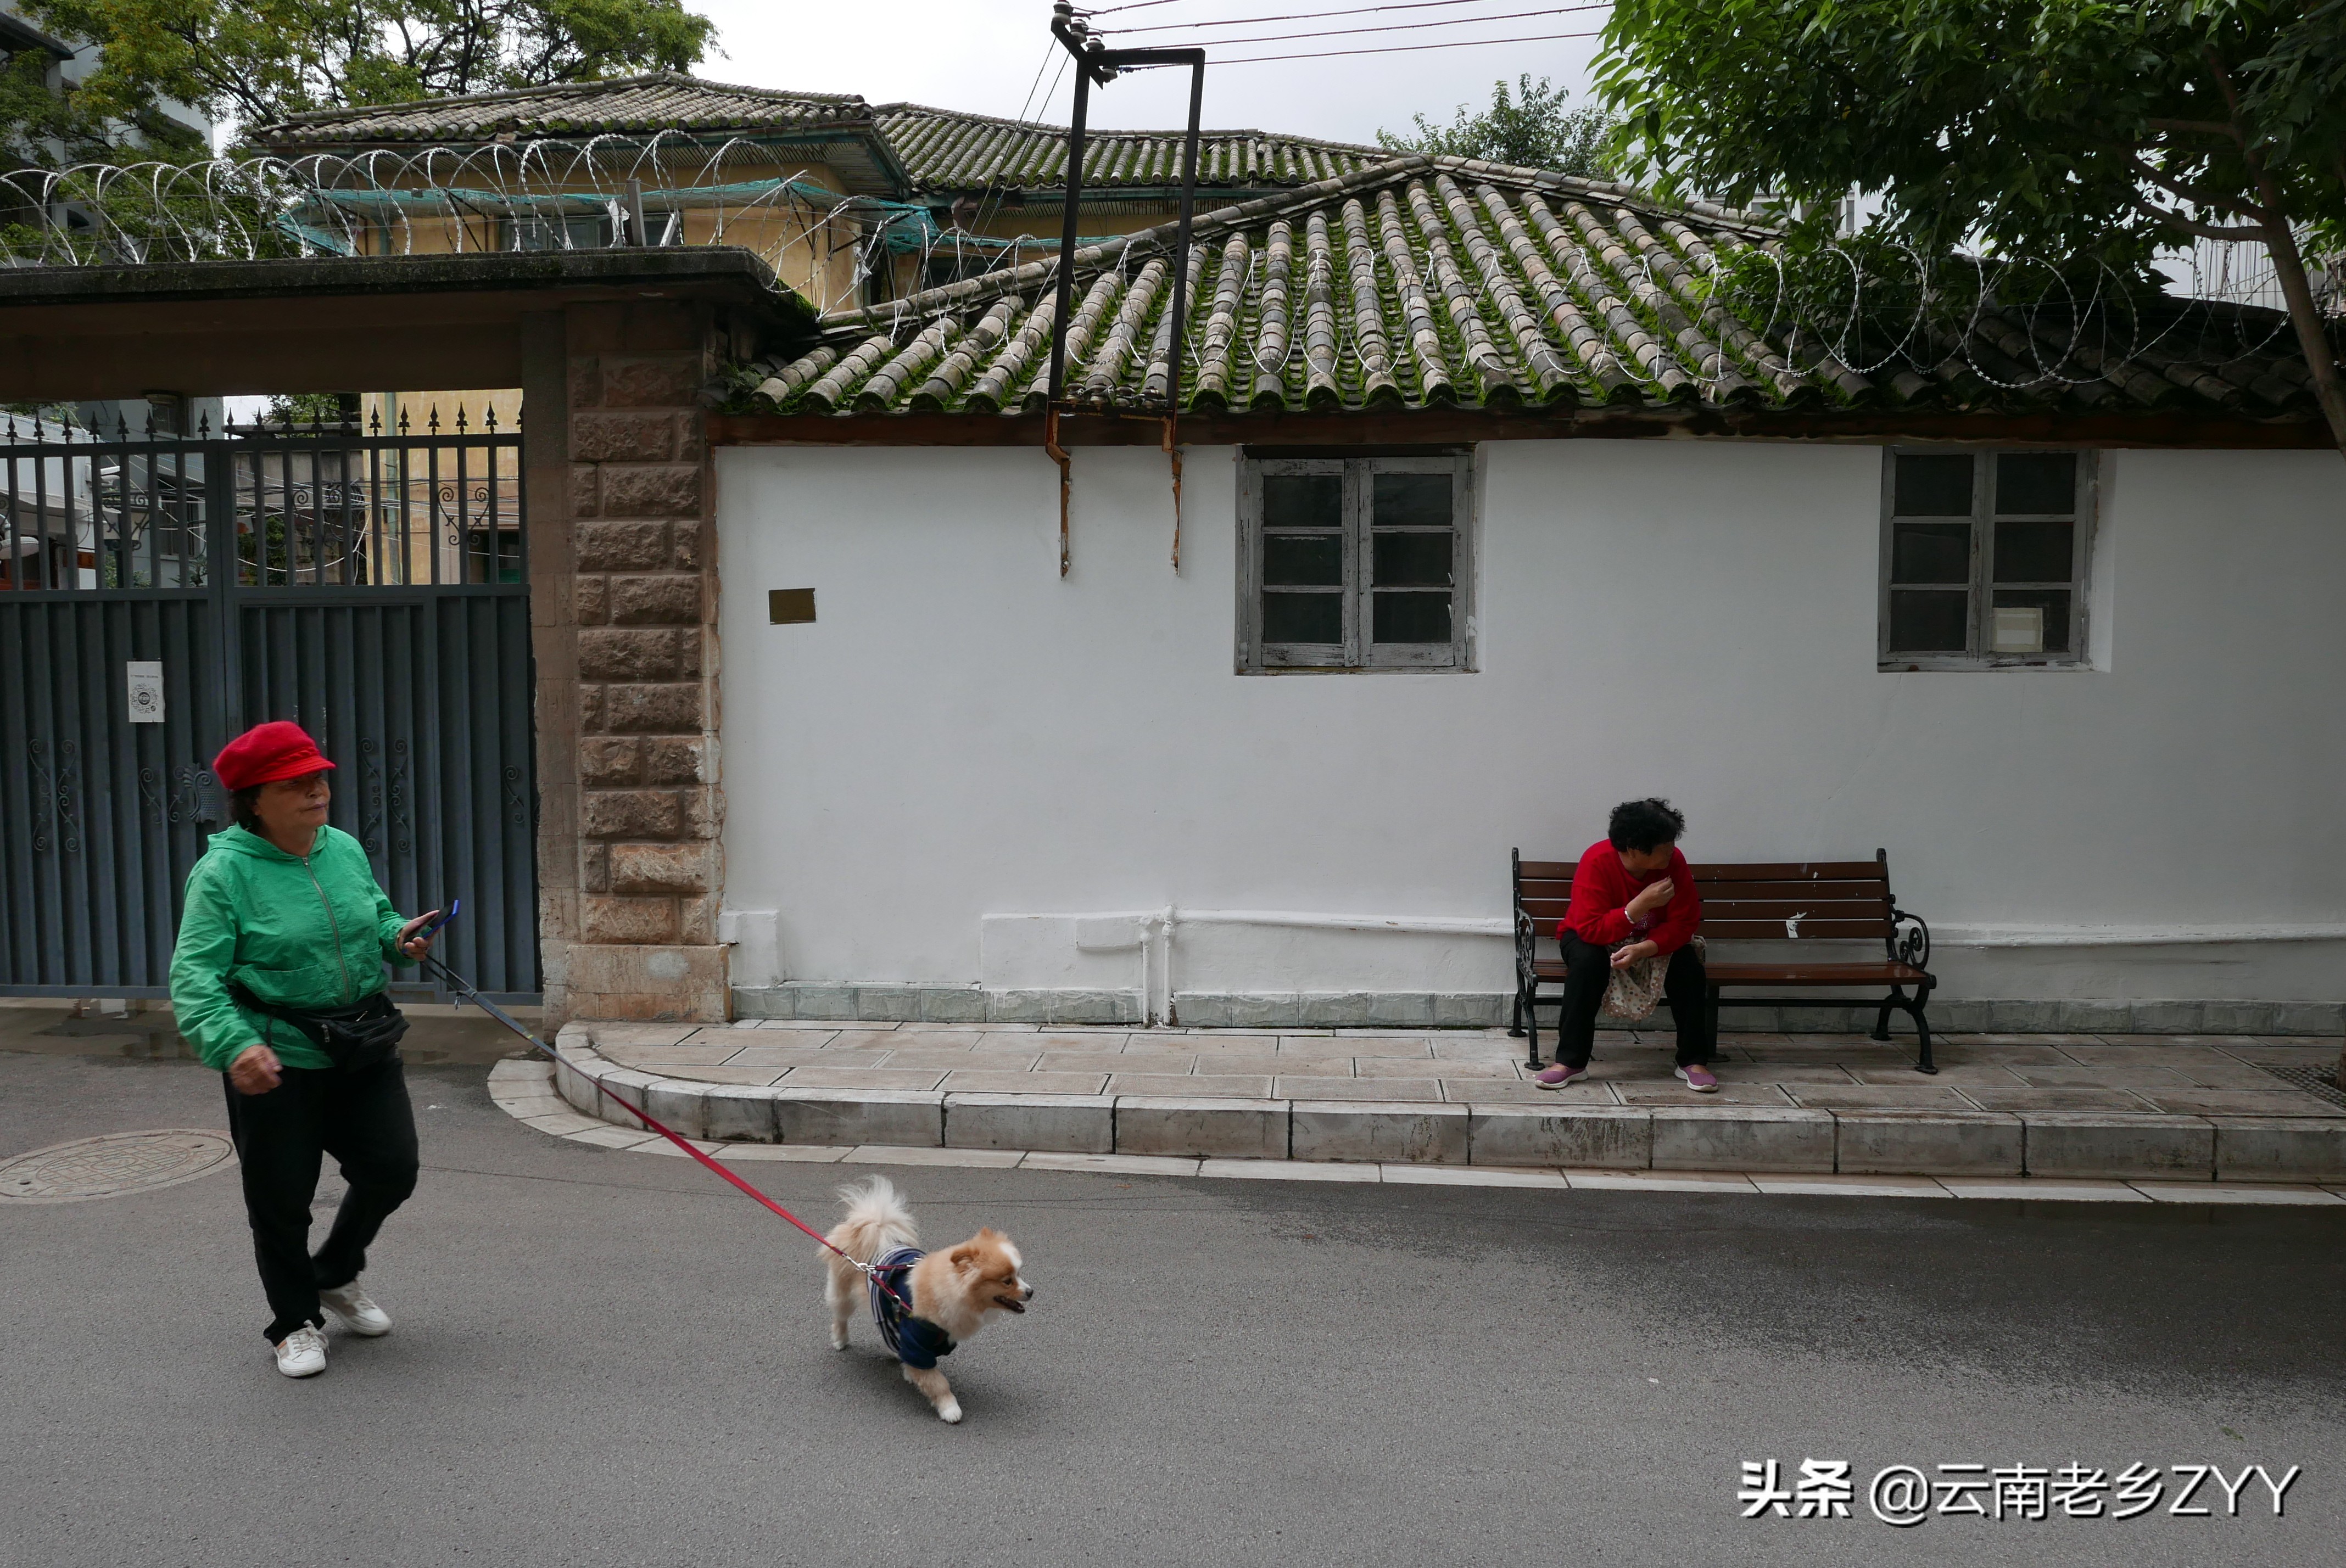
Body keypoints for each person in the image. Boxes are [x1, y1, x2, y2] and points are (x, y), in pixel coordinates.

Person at [169, 721, 443, 1379]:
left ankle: (335, 1272)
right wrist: (234, 1046)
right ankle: (294, 1321)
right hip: (276, 1058)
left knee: (392, 1168)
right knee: (281, 1201)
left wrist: (394, 936)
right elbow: (194, 978)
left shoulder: (342, 848)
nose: (318, 791)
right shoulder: (222, 874)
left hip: (362, 1042)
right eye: (298, 783)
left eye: (319, 777)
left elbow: (372, 912)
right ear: (254, 800)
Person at [1532, 798, 1718, 1093]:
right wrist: (1639, 905)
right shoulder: (1596, 861)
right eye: (1665, 844)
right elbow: (1590, 928)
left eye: (1672, 841)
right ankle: (1570, 1062)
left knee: (1688, 967)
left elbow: (1685, 923)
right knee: (1587, 964)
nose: (1672, 849)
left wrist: (1645, 948)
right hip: (1589, 937)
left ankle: (1693, 1061)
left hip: (1650, 940)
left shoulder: (1675, 862)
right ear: (1634, 849)